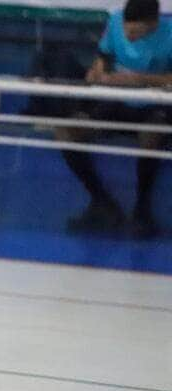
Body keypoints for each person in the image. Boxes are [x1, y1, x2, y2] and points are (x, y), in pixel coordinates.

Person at [57, 0, 171, 238]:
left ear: (153, 24)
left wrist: (140, 80)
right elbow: (103, 57)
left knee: (153, 136)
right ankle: (101, 201)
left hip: (152, 107)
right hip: (113, 101)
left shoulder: (169, 34)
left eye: (136, 32)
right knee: (67, 132)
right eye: (127, 30)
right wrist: (98, 72)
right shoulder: (115, 21)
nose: (129, 36)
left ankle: (142, 209)